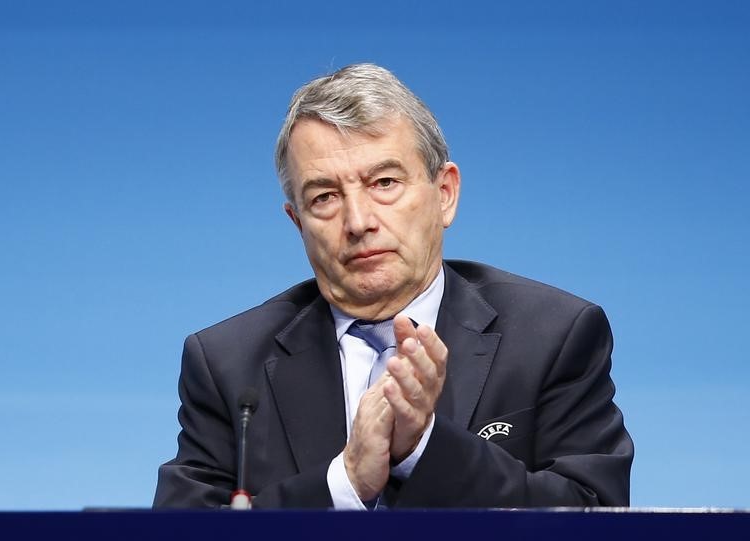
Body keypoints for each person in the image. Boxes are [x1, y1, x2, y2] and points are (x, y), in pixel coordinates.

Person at [153, 63, 633, 509]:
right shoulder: (228, 365)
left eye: (384, 182)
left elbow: (593, 515)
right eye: (325, 197)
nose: (359, 221)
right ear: (298, 223)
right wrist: (344, 482)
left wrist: (423, 449)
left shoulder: (554, 336)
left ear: (444, 194)